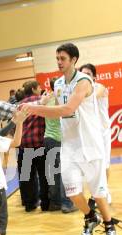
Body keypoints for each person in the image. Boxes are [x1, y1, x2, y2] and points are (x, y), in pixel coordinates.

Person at [21, 43, 118, 235]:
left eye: (62, 58)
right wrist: (36, 104)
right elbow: (54, 105)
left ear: (74, 60)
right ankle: (91, 218)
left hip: (90, 145)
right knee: (72, 192)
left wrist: (34, 109)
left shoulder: (83, 81)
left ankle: (110, 227)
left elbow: (67, 109)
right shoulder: (58, 84)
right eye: (57, 58)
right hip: (69, 146)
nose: (59, 62)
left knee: (98, 194)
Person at [79, 63, 112, 207]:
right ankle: (96, 192)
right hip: (90, 133)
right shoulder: (80, 89)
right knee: (92, 164)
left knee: (104, 164)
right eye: (83, 74)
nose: (85, 76)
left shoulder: (100, 87)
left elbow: (92, 97)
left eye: (88, 74)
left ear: (94, 77)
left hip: (102, 132)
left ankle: (105, 192)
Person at [43, 78, 77, 213]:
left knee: (54, 173)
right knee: (64, 172)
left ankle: (55, 202)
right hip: (59, 138)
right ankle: (66, 204)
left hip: (48, 138)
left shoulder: (47, 100)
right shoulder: (61, 101)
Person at [18, 80, 50, 212]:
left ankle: (29, 204)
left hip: (24, 145)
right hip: (40, 143)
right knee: (44, 176)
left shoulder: (20, 105)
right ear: (33, 89)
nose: (41, 88)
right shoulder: (42, 100)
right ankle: (46, 204)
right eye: (39, 87)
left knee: (26, 177)